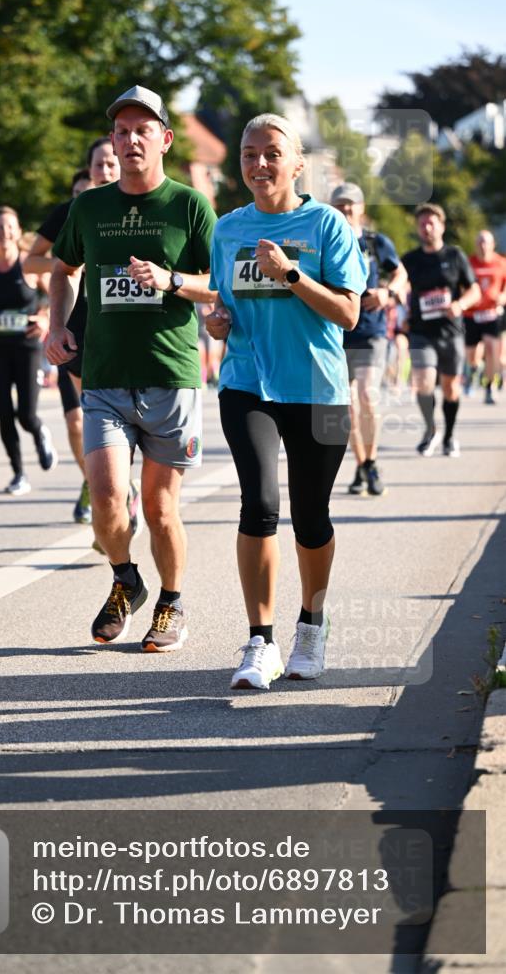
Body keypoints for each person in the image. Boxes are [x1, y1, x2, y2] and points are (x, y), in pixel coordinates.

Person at [47, 85, 217, 651]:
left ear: (164, 139)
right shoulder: (89, 207)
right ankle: (126, 579)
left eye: (142, 130)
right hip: (105, 377)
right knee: (105, 496)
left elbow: (219, 284)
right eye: (122, 132)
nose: (130, 140)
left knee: (161, 508)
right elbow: (62, 269)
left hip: (170, 375)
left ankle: (171, 603)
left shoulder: (189, 205)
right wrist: (57, 325)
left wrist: (171, 280)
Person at [206, 113, 366, 691]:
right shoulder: (228, 229)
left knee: (312, 515)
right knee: (259, 503)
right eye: (249, 154)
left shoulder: (326, 224)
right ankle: (260, 641)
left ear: (298, 164)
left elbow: (349, 313)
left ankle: (312, 627)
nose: (259, 164)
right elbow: (223, 304)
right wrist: (217, 321)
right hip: (248, 382)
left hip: (318, 389)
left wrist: (292, 274)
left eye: (272, 153)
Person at [25, 140, 125, 526]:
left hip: (119, 329)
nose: (106, 171)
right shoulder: (73, 211)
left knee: (115, 420)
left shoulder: (137, 209)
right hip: (74, 325)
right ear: (89, 169)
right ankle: (97, 485)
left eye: (112, 164)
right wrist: (69, 260)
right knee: (78, 421)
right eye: (100, 164)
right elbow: (31, 260)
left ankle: (116, 488)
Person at [330, 183, 407, 496]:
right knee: (346, 405)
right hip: (337, 332)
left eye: (351, 204)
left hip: (372, 330)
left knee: (366, 394)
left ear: (362, 208)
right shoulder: (325, 241)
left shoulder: (375, 242)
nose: (346, 209)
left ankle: (372, 461)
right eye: (340, 205)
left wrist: (388, 292)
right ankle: (362, 464)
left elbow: (400, 273)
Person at [0, 206, 57, 496]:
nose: (5, 232)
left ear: (18, 231)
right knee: (4, 414)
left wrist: (46, 318)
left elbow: (59, 293)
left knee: (26, 415)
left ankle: (39, 432)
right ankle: (18, 473)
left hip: (27, 348)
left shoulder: (28, 263)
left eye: (10, 227)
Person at [401, 204, 481, 458]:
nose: (426, 228)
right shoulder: (410, 260)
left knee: (450, 388)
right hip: (421, 332)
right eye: (422, 224)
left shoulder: (455, 255)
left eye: (431, 223)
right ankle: (431, 429)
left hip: (451, 332)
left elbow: (474, 290)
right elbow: (399, 285)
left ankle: (449, 436)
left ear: (441, 227)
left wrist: (460, 304)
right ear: (418, 228)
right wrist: (401, 309)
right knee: (423, 382)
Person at [467, 230, 506, 404]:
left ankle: (490, 387)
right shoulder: (469, 263)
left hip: (492, 314)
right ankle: (475, 368)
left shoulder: (501, 263)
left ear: (493, 245)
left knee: (492, 349)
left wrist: (503, 297)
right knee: (472, 356)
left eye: (486, 242)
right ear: (476, 245)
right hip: (471, 314)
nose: (483, 246)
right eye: (480, 242)